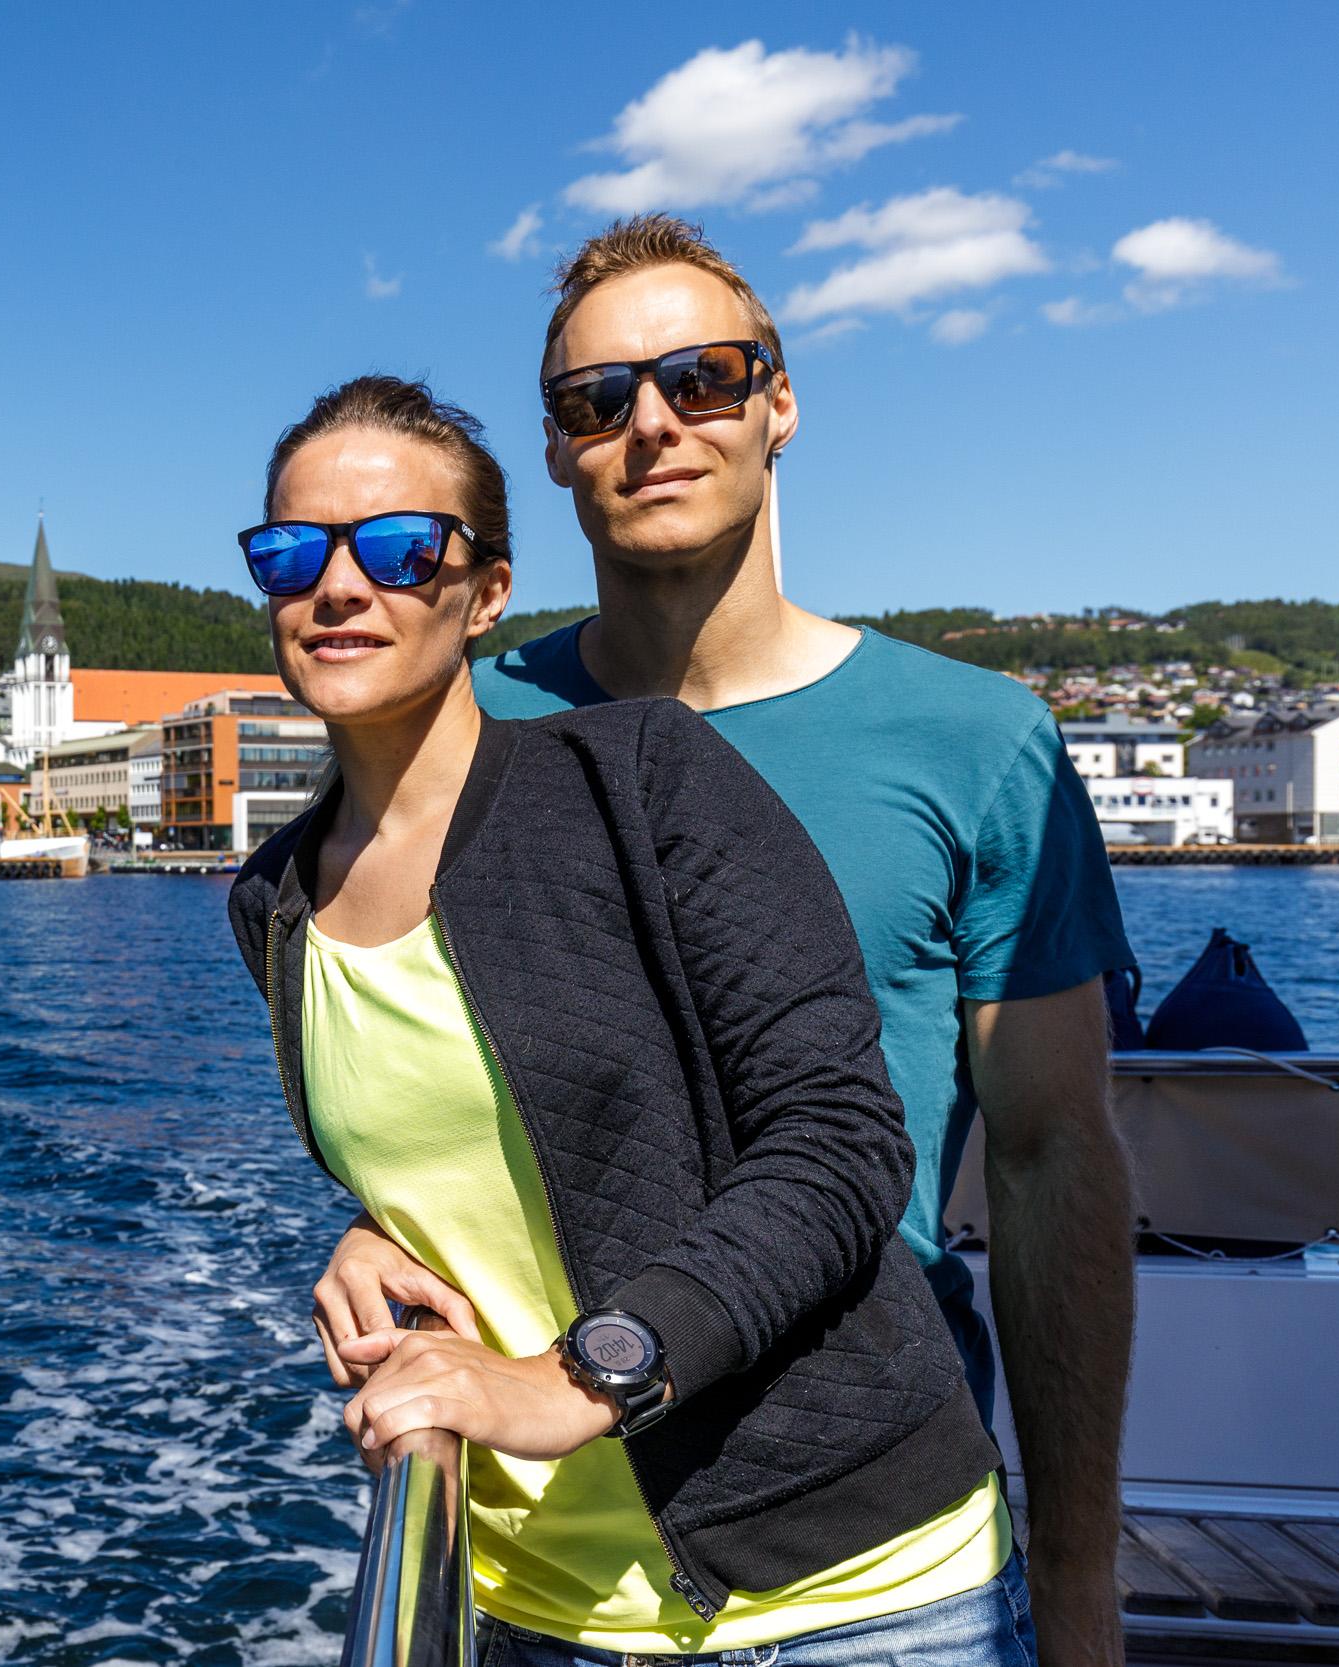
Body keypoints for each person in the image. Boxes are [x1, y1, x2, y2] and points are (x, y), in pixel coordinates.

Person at [229, 375, 1033, 1663]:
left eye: (396, 548)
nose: (337, 587)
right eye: (292, 552)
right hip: (532, 1605)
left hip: (845, 1593)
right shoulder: (275, 900)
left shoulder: (638, 780)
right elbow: (482, 1133)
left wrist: (580, 1375)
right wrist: (374, 1236)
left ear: (484, 593)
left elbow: (838, 1145)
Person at [419, 213, 1128, 1663]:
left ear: (780, 405)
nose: (655, 424)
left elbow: (1056, 1161)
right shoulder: (468, 738)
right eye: (596, 399)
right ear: (554, 452)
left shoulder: (977, 743)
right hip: (551, 1566)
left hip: (886, 1570)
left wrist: (1075, 1573)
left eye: (708, 377)